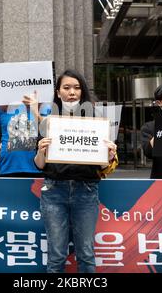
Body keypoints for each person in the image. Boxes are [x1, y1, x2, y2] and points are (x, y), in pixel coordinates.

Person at [34, 69, 118, 273]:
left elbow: (101, 165)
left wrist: (108, 155)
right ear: (58, 91)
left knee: (86, 253)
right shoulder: (49, 121)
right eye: (67, 87)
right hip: (54, 190)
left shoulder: (95, 120)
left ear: (82, 92)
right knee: (56, 255)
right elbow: (39, 165)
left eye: (77, 87)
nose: (72, 92)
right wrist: (41, 150)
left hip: (86, 190)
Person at [0, 91, 49, 177]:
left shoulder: (44, 106)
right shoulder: (0, 107)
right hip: (8, 168)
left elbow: (49, 132)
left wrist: (35, 111)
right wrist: (5, 157)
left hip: (38, 169)